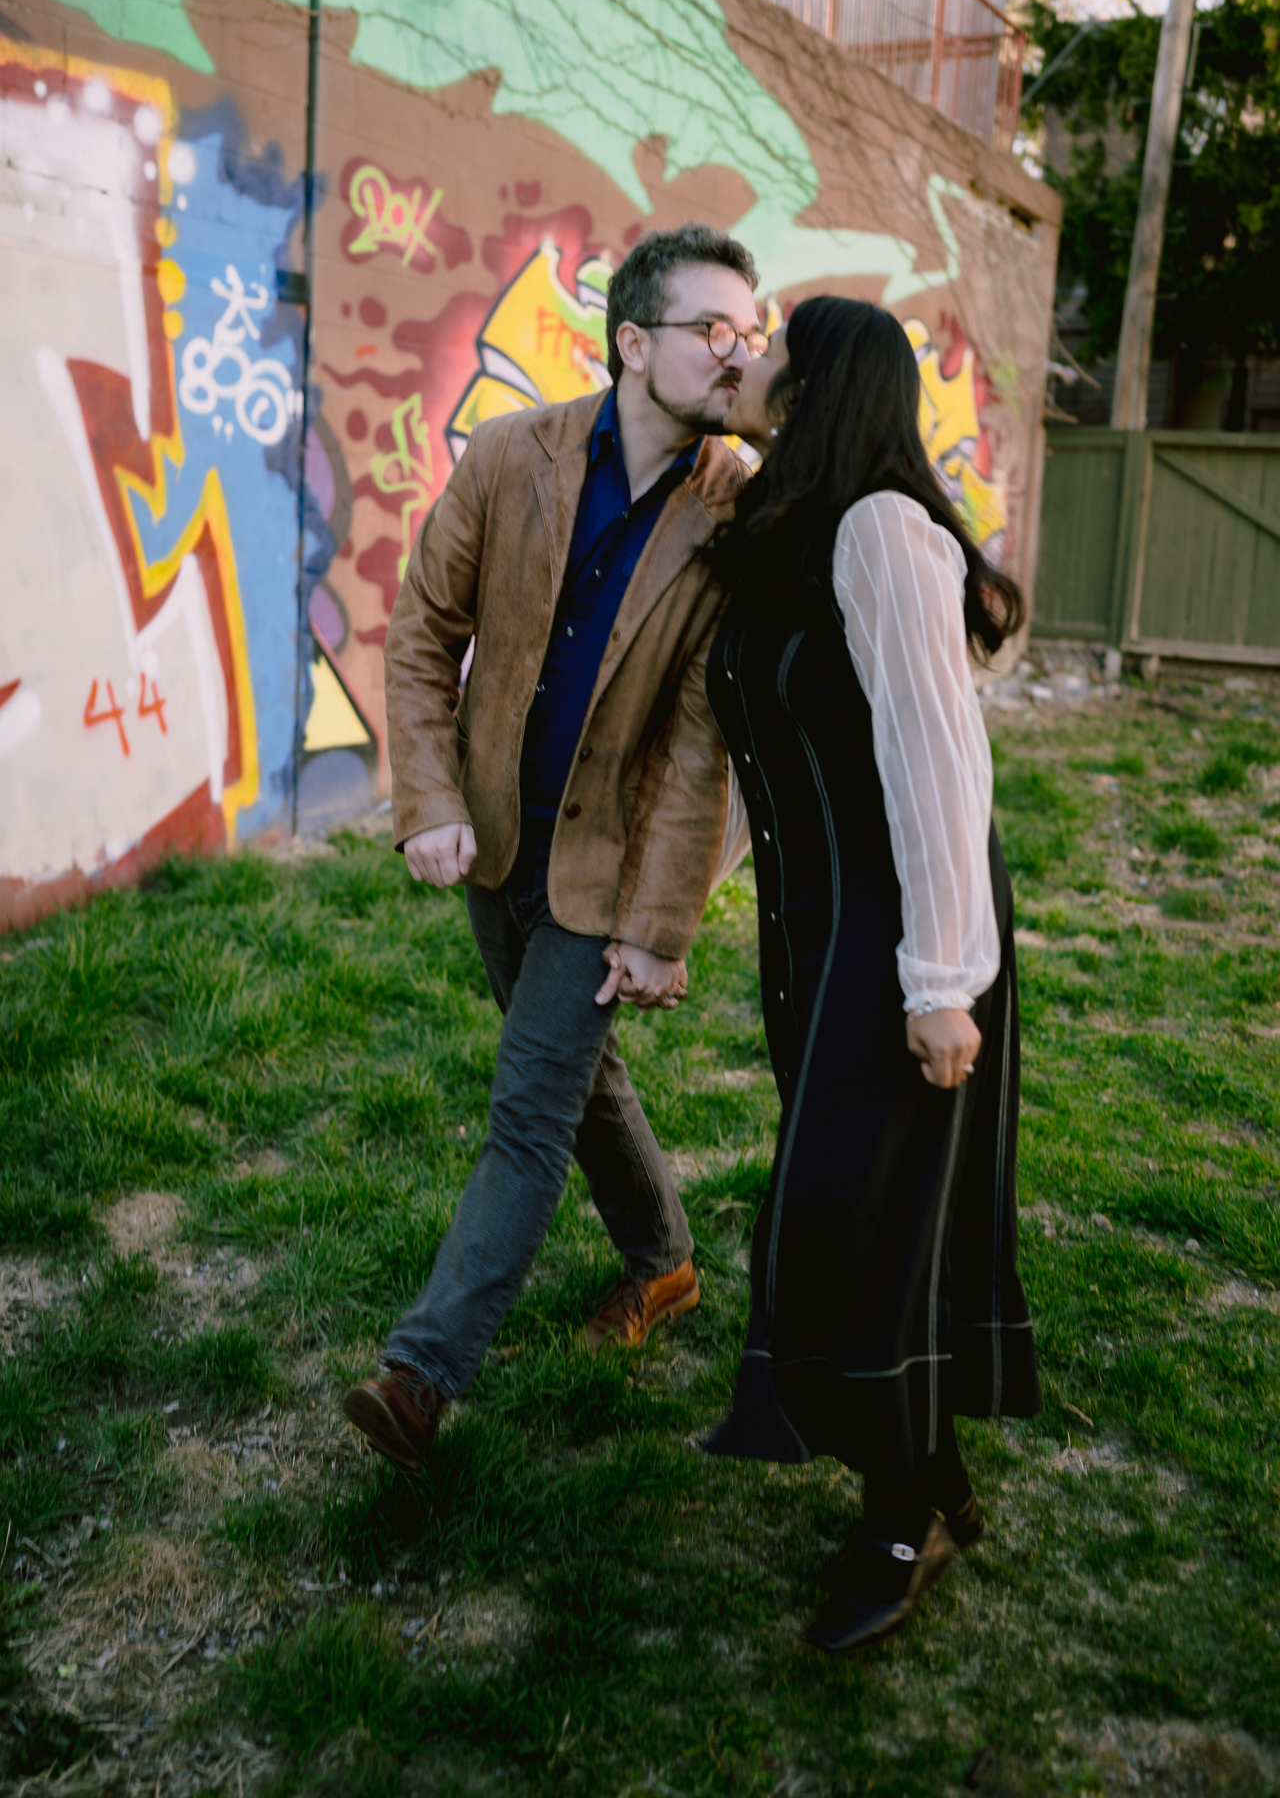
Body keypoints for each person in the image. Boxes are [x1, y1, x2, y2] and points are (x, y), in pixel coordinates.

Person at [343, 224, 769, 1474]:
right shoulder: (506, 453)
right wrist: (426, 796)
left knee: (526, 1111)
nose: (737, 356)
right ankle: (666, 1261)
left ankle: (419, 1376)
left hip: (606, 864)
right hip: (490, 833)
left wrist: (656, 923)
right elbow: (424, 629)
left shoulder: (731, 505)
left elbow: (699, 747)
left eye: (749, 332)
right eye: (712, 331)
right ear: (634, 343)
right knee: (576, 1077)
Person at [703, 297, 1041, 1654]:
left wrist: (943, 978)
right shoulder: (794, 534)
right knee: (870, 1215)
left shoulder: (885, 534)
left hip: (905, 940)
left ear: (821, 379)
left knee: (851, 1224)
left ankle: (901, 1518)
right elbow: (767, 770)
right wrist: (669, 926)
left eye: (772, 342)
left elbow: (942, 773)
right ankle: (937, 1485)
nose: (750, 356)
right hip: (817, 942)